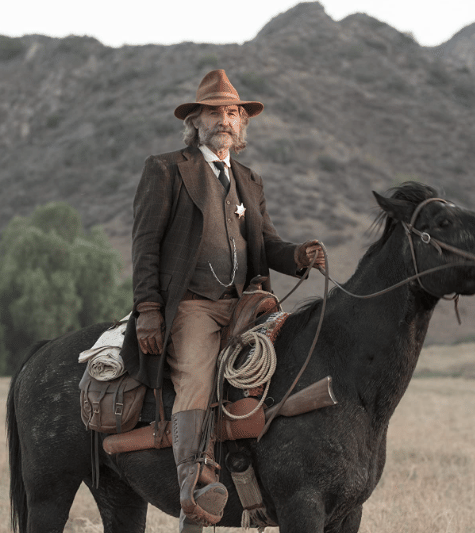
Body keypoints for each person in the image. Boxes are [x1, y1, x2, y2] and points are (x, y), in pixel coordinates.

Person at [123, 69, 325, 532]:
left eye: (232, 112)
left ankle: (270, 479)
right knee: (195, 376)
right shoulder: (167, 169)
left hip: (246, 304)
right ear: (195, 120)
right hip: (192, 305)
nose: (224, 120)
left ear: (242, 122)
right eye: (213, 111)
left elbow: (266, 243)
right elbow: (145, 244)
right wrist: (149, 310)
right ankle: (195, 486)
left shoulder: (249, 180)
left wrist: (297, 256)